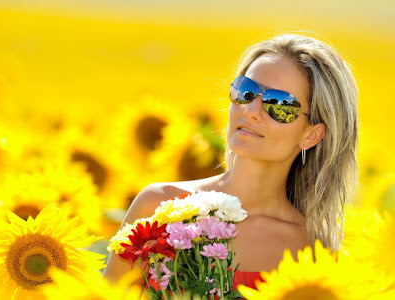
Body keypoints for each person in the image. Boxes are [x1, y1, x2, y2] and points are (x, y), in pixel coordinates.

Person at [102, 32, 359, 290]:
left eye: (279, 103)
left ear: (311, 134)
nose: (251, 111)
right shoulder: (157, 207)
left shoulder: (311, 251)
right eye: (245, 91)